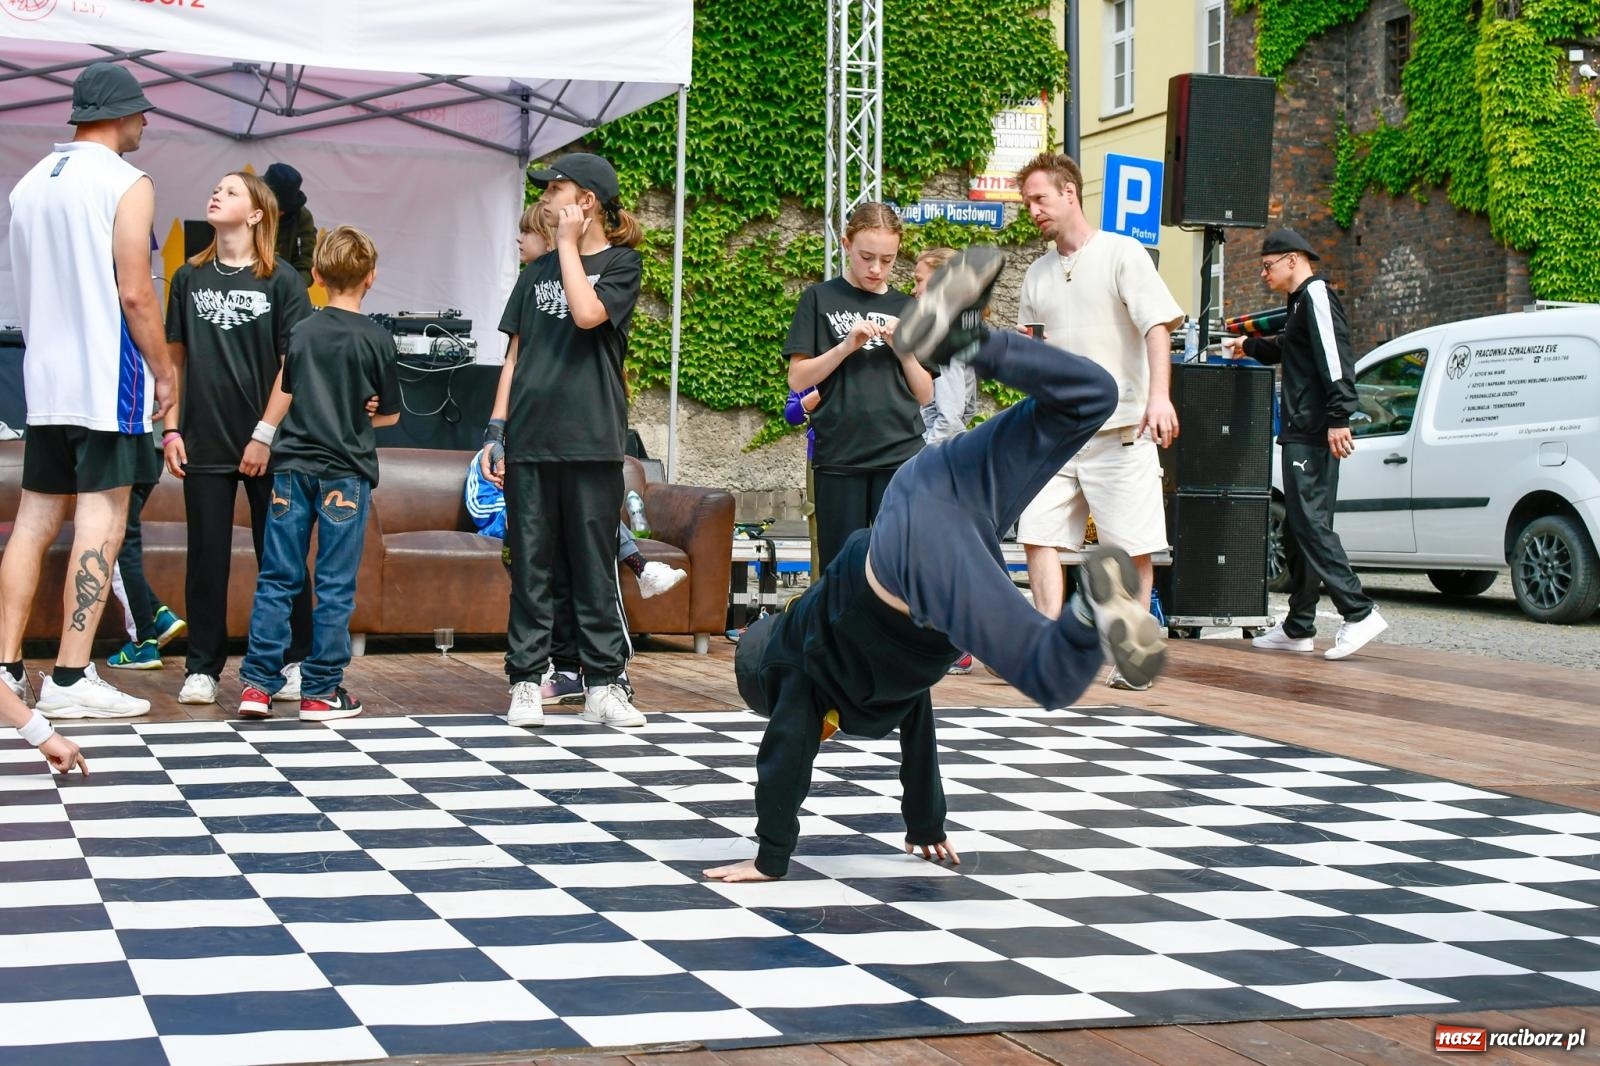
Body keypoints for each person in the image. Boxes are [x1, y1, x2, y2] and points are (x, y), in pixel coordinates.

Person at [706, 246, 1165, 883]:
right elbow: (917, 731)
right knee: (1093, 395)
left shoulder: (798, 673)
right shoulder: (878, 686)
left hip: (919, 562)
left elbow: (782, 756)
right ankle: (965, 339)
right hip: (933, 483)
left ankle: (1093, 605)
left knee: (1054, 676)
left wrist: (769, 858)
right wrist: (926, 827)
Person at [2, 62, 176, 720]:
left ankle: (7, 672)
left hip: (43, 379)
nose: (145, 123)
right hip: (106, 378)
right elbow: (135, 291)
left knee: (33, 523)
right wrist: (165, 370)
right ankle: (71, 676)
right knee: (102, 518)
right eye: (140, 113)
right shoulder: (126, 182)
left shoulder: (28, 185)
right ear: (121, 115)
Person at [481, 153, 648, 730]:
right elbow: (515, 356)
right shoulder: (533, 273)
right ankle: (526, 681)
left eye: (558, 188)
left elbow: (586, 314)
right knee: (532, 566)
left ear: (588, 202)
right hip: (530, 438)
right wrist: (496, 429)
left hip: (593, 437)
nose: (547, 198)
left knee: (594, 566)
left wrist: (570, 248)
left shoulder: (623, 264)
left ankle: (604, 683)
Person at [1013, 151, 1183, 690]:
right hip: (1058, 435)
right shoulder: (1036, 273)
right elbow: (1030, 351)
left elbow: (1158, 326)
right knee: (1037, 534)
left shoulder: (1121, 253)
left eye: (1039, 198)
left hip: (1123, 430)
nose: (1033, 210)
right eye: (1027, 202)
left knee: (1128, 546)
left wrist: (1161, 397)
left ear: (1070, 193)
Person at [163, 170, 316, 706]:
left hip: (268, 442)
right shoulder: (188, 277)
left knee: (283, 555)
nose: (216, 194)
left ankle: (297, 660)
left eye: (230, 191)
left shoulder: (282, 281)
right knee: (206, 557)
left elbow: (290, 368)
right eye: (216, 188)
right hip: (202, 439)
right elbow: (175, 361)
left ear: (255, 214)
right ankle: (202, 668)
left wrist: (264, 434)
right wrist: (171, 427)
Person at [237, 226, 399, 720]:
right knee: (333, 582)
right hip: (345, 473)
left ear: (317, 275)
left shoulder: (302, 331)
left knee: (277, 577)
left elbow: (294, 390)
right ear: (371, 277)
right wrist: (364, 405)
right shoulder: (377, 338)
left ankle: (257, 687)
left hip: (290, 470)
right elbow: (388, 414)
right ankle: (320, 691)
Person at [1222, 228, 1388, 660]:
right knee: (1301, 526)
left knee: (1311, 525)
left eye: (1268, 265)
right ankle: (1299, 627)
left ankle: (1360, 612)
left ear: (1293, 260)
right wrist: (1250, 345)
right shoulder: (1299, 303)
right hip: (1304, 427)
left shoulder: (1316, 295)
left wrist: (1338, 417)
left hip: (1315, 429)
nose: (1263, 274)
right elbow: (1289, 349)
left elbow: (1336, 356)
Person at [785, 202, 933, 572]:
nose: (876, 269)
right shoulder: (819, 299)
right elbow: (798, 378)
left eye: (888, 259)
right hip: (840, 455)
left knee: (897, 566)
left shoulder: (907, 306)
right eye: (867, 256)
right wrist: (845, 347)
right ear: (846, 244)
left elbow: (925, 393)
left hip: (899, 454)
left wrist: (905, 353)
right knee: (839, 569)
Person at [912, 246, 977, 676]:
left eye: (919, 280)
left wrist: (930, 460)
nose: (913, 287)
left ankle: (961, 642)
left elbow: (953, 414)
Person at [105, 468, 186, 669]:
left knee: (117, 546)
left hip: (124, 446)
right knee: (120, 538)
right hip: (152, 450)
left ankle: (144, 642)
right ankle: (159, 615)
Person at [914, 247, 978, 446]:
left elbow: (950, 419)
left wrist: (921, 457)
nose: (913, 290)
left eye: (918, 280)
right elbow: (968, 409)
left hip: (928, 455)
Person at [262, 162, 316, 287]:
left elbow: (306, 264)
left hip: (282, 286)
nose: (279, 212)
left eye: (282, 208)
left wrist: (292, 288)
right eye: (274, 207)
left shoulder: (302, 218)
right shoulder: (244, 205)